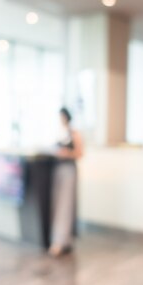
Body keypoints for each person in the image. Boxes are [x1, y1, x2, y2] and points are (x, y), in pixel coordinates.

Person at [49, 107, 84, 257]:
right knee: (57, 204)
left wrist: (67, 154)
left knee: (66, 205)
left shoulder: (74, 133)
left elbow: (80, 153)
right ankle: (60, 239)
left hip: (69, 170)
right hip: (58, 169)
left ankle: (62, 241)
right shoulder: (59, 132)